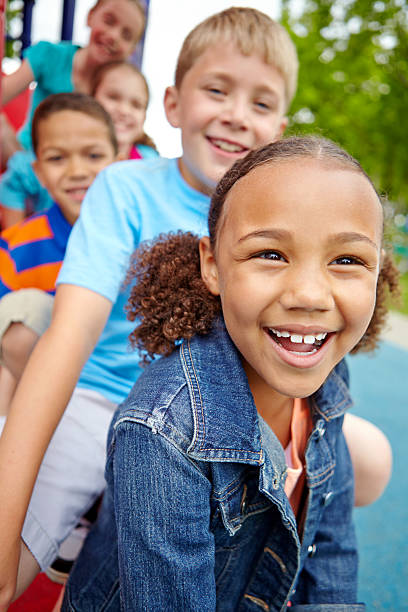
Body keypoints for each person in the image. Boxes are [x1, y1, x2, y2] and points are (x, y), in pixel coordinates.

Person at [0, 8, 391, 609]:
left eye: (260, 104)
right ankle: (96, 513)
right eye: (217, 90)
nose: (237, 113)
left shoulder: (282, 215)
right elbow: (69, 341)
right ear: (174, 103)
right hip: (109, 393)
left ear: (280, 129)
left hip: (226, 413)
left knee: (366, 458)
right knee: (10, 562)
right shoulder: (126, 188)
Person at [63, 136, 400, 611]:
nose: (310, 295)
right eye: (271, 254)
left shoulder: (328, 369)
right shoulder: (161, 432)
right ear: (213, 265)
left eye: (346, 260)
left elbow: (331, 547)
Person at [0, 92, 118, 419]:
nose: (77, 171)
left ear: (118, 161)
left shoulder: (139, 238)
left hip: (121, 389)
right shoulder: (17, 247)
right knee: (19, 317)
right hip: (42, 389)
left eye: (93, 155)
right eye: (57, 159)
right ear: (37, 171)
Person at [0, 60, 157, 229]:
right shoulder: (47, 152)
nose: (124, 110)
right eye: (113, 97)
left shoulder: (151, 164)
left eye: (137, 105)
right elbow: (13, 182)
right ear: (90, 98)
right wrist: (18, 234)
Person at [1, 0, 145, 152]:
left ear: (132, 50)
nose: (114, 36)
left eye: (126, 36)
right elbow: (3, 92)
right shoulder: (50, 56)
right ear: (90, 16)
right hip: (28, 156)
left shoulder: (118, 91)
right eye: (108, 21)